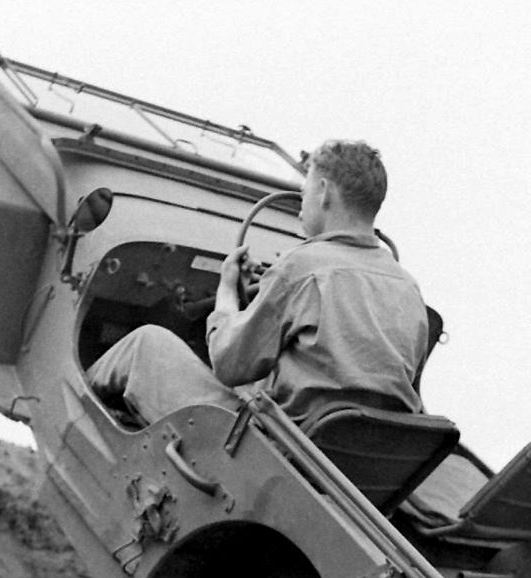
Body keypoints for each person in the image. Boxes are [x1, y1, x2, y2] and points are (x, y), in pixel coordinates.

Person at [87, 140, 430, 425]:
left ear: (324, 192)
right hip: (338, 456)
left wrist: (226, 292)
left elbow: (229, 363)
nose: (300, 205)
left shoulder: (301, 266)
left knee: (144, 344)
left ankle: (75, 405)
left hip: (269, 448)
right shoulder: (409, 290)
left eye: (304, 191)